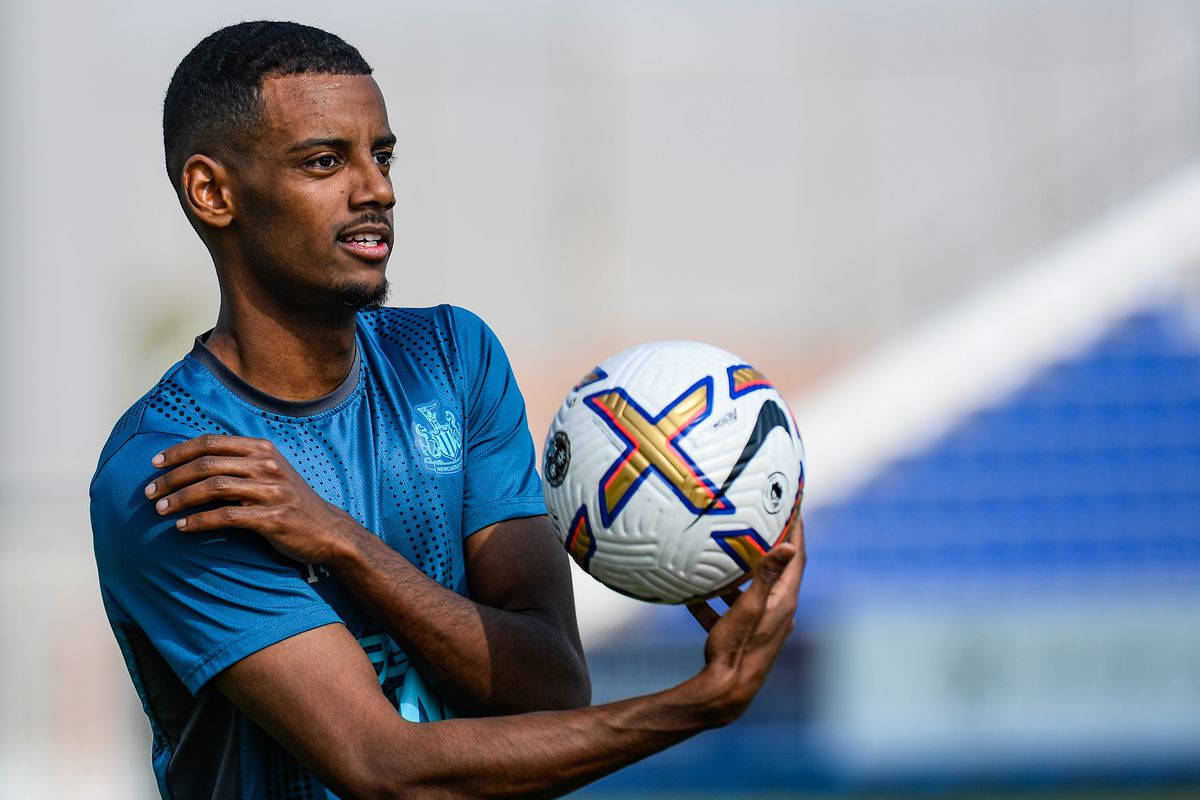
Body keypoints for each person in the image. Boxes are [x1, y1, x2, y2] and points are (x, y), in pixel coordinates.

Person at [89, 21, 806, 800]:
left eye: (382, 155)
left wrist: (344, 543)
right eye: (325, 161)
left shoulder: (450, 360)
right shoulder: (173, 468)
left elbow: (550, 684)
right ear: (213, 191)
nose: (378, 190)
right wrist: (693, 707)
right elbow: (380, 768)